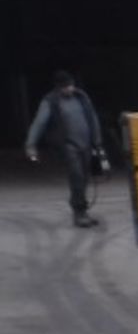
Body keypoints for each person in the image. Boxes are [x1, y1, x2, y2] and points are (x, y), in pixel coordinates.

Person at [24, 70, 103, 227]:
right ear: (58, 87)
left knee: (85, 178)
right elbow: (39, 123)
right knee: (77, 177)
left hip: (86, 145)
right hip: (68, 145)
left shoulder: (81, 97)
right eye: (66, 86)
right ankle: (79, 213)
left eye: (71, 85)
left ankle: (83, 210)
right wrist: (31, 145)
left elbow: (92, 117)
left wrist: (97, 140)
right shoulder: (50, 101)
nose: (70, 89)